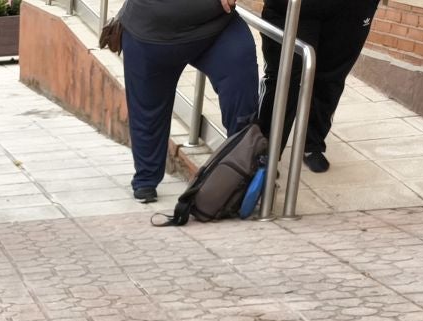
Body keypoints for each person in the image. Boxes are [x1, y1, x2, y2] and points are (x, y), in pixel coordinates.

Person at [118, 0, 257, 203]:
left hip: (217, 28)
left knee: (241, 82)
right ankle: (146, 178)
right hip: (151, 34)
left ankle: (242, 170)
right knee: (148, 112)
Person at [257, 0, 381, 173]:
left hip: (352, 9)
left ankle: (312, 143)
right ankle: (265, 147)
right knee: (284, 75)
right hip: (295, 6)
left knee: (331, 77)